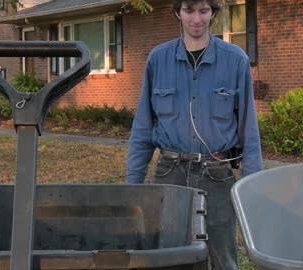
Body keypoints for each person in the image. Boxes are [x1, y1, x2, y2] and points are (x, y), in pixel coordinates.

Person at [126, 0, 263, 269]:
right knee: (173, 256)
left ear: (213, 12)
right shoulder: (158, 59)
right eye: (189, 10)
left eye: (203, 11)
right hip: (170, 174)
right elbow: (143, 128)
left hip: (217, 174)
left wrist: (253, 186)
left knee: (224, 257)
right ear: (178, 11)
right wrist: (134, 184)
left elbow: (249, 127)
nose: (196, 19)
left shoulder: (235, 60)